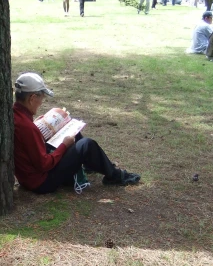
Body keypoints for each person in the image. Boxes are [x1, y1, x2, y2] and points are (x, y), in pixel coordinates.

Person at [12, 72, 141, 194]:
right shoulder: (27, 127)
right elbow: (44, 164)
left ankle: (92, 163)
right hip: (42, 182)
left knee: (72, 130)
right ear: (32, 98)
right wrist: (64, 146)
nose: (41, 102)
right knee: (86, 144)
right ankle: (113, 175)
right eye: (41, 98)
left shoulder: (15, 114)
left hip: (30, 176)